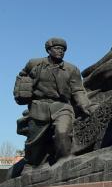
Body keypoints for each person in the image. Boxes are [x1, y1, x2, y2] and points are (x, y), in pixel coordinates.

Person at [13, 37, 94, 167]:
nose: (60, 51)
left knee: (63, 132)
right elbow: (22, 77)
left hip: (62, 106)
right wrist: (22, 90)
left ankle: (64, 160)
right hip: (39, 106)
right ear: (49, 50)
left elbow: (78, 90)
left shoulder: (71, 69)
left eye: (63, 49)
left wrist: (86, 105)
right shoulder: (34, 64)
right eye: (57, 48)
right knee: (34, 141)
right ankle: (30, 164)